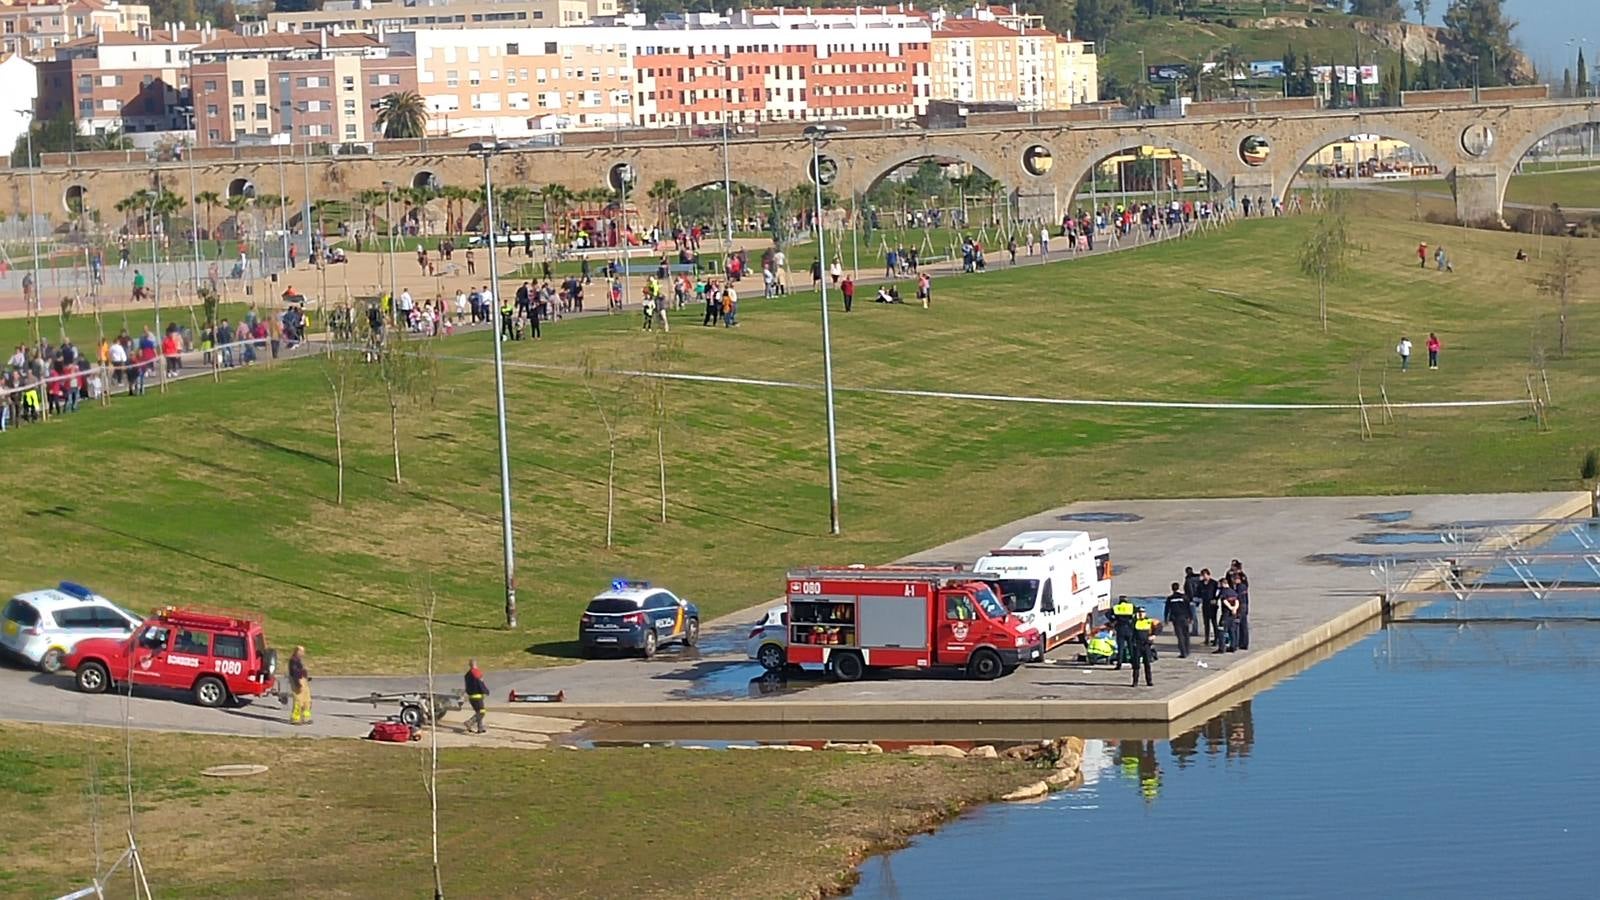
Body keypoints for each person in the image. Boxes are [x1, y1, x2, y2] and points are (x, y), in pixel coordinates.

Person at [1163, 582, 1191, 659]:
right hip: (1184, 617)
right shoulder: (1184, 597)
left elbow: (1167, 609)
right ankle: (1187, 650)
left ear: (1172, 589)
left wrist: (1166, 619)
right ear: (1179, 588)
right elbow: (1188, 607)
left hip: (1176, 619)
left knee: (1180, 636)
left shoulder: (1170, 598)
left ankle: (1183, 652)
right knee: (1186, 635)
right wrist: (1190, 617)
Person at [1129, 607, 1155, 687]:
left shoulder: (1148, 621)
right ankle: (1135, 681)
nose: (1141, 614)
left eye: (1142, 612)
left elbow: (1159, 626)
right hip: (1137, 645)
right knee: (1136, 665)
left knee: (1147, 664)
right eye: (1139, 612)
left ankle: (1149, 681)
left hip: (1146, 645)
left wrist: (1154, 635)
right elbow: (1131, 632)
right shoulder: (1134, 622)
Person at [288, 646, 312, 725]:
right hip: (298, 681)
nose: (303, 653)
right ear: (297, 652)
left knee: (307, 700)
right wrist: (298, 684)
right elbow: (295, 674)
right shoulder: (293, 661)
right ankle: (295, 719)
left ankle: (306, 717)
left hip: (303, 680)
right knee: (298, 701)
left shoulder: (298, 660)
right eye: (302, 651)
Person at [464, 660, 489, 733]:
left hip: (471, 696)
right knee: (481, 712)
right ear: (475, 664)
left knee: (478, 712)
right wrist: (486, 691)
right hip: (477, 696)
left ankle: (480, 728)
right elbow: (480, 683)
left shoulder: (467, 675)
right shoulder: (476, 672)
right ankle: (469, 722)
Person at [1110, 595, 1135, 670]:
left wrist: (1113, 621)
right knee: (1131, 647)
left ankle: (1119, 664)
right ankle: (1134, 663)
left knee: (1120, 648)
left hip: (1120, 628)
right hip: (1129, 628)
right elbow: (1137, 614)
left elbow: (1108, 614)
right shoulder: (1131, 607)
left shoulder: (1116, 607)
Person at [1198, 567, 1219, 646]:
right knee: (1206, 623)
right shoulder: (1201, 584)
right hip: (1205, 604)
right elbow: (1198, 592)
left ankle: (1216, 639)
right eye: (1203, 575)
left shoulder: (1214, 583)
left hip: (1212, 605)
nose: (1204, 577)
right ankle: (1206, 639)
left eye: (1205, 575)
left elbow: (1218, 592)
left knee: (1214, 622)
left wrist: (1215, 599)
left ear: (1209, 575)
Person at [1182, 566, 1202, 637]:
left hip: (1191, 599)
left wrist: (1190, 598)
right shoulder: (1198, 578)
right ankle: (1195, 630)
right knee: (1196, 615)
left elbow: (1189, 590)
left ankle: (1194, 630)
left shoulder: (1189, 580)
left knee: (1193, 616)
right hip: (1199, 598)